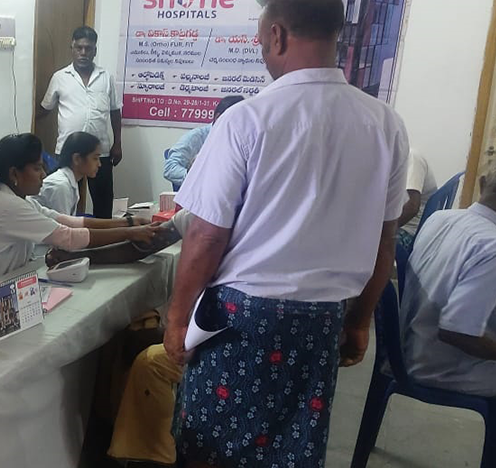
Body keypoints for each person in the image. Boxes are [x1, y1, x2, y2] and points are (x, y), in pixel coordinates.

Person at [162, 1, 409, 466]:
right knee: (294, 449)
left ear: (276, 36)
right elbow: (385, 241)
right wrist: (360, 321)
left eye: (260, 42)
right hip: (321, 322)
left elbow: (206, 237)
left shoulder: (247, 120)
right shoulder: (385, 124)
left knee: (211, 447)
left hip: (239, 322)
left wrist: (176, 320)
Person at [46, 211, 190, 467]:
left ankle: (151, 458)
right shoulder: (199, 212)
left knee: (148, 363)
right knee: (124, 335)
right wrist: (79, 257)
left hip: (221, 339)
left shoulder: (213, 211)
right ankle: (106, 433)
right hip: (206, 327)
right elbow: (142, 246)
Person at [0, 133, 160, 296]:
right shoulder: (6, 205)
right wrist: (130, 233)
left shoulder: (22, 200)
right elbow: (68, 237)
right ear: (14, 173)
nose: (43, 175)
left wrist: (127, 223)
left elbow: (68, 221)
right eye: (37, 169)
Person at [399, 162, 496, 398]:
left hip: (405, 346)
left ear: (482, 183)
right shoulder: (491, 247)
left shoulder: (441, 217)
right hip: (439, 367)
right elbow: (457, 331)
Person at [38, 26, 122, 219]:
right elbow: (45, 108)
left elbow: (115, 111)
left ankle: (103, 236)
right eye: (79, 48)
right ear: (72, 48)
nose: (83, 53)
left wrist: (118, 143)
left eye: (88, 48)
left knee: (103, 202)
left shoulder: (105, 77)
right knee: (63, 199)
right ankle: (70, 233)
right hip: (68, 151)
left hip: (99, 153)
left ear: (95, 51)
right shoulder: (60, 77)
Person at [163, 96, 245, 191]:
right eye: (236, 121)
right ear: (218, 118)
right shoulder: (197, 137)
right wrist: (196, 177)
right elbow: (170, 169)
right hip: (197, 194)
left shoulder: (241, 141)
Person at [31, 131, 102, 216]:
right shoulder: (61, 186)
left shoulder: (71, 181)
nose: (99, 164)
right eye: (95, 158)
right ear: (77, 159)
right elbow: (62, 223)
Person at [396, 149, 438, 251]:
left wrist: (382, 230)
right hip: (405, 224)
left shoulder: (412, 158)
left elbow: (412, 207)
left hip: (409, 231)